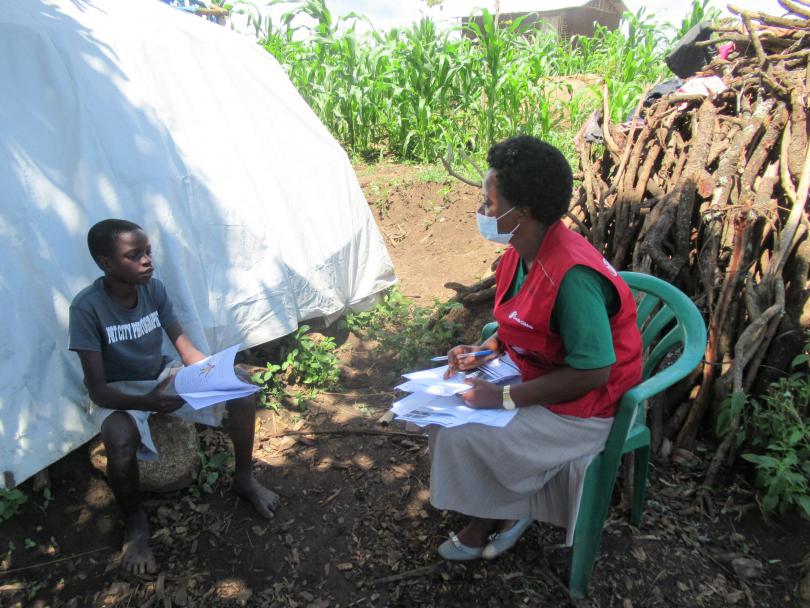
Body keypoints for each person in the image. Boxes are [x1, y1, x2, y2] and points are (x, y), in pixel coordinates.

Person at [431, 136, 643, 561]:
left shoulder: (573, 277)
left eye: (488, 204)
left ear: (521, 212)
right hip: (543, 375)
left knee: (462, 432)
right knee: (448, 416)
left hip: (589, 405)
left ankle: (496, 514)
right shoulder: (520, 253)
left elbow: (593, 373)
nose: (480, 212)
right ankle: (505, 509)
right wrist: (487, 349)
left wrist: (504, 397)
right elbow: (521, 324)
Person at [69, 219, 280, 574]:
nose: (147, 261)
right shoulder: (86, 309)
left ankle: (244, 478)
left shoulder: (154, 290)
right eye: (134, 255)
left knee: (242, 388)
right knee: (118, 438)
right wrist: (148, 403)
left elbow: (187, 352)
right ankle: (135, 525)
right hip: (121, 391)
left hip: (161, 375)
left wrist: (217, 375)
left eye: (148, 251)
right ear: (106, 263)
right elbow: (98, 389)